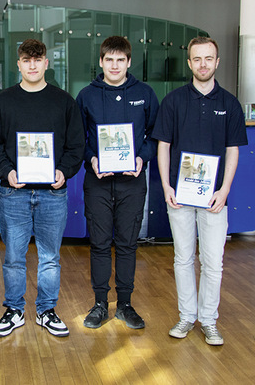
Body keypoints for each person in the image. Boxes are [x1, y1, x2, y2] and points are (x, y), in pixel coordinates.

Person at [153, 36, 247, 346]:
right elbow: (163, 147)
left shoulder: (230, 104)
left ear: (217, 62)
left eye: (209, 58)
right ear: (190, 63)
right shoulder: (173, 101)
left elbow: (233, 151)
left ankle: (209, 320)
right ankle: (186, 317)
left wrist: (224, 189)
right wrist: (167, 185)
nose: (203, 64)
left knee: (213, 262)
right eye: (197, 59)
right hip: (179, 196)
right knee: (183, 259)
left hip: (214, 199)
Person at [0, 39, 84, 338]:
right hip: (13, 192)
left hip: (53, 193)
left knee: (50, 257)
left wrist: (63, 171)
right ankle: (14, 309)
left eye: (37, 59)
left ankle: (46, 310)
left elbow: (76, 146)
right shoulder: (3, 102)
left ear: (46, 63)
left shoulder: (64, 101)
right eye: (26, 60)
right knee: (14, 256)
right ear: (18, 63)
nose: (32, 65)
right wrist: (8, 172)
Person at [76, 36, 159, 329]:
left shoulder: (145, 94)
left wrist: (142, 158)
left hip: (132, 182)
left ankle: (125, 304)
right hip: (97, 181)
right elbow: (78, 139)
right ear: (101, 62)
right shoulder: (86, 96)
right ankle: (100, 303)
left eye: (120, 60)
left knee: (127, 244)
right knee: (99, 244)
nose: (114, 65)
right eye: (109, 60)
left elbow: (155, 135)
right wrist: (92, 160)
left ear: (128, 62)